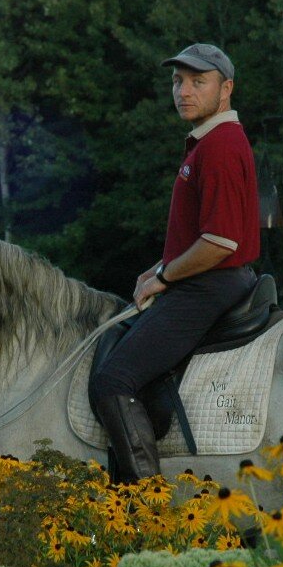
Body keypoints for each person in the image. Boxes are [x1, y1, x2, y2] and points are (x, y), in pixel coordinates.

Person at [88, 43, 260, 483]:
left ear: (226, 89)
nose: (183, 91)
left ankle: (145, 502)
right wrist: (160, 264)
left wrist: (164, 276)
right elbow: (203, 234)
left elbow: (220, 242)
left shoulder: (219, 145)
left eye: (197, 82)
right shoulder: (208, 143)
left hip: (210, 285)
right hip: (209, 280)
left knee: (113, 381)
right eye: (177, 81)